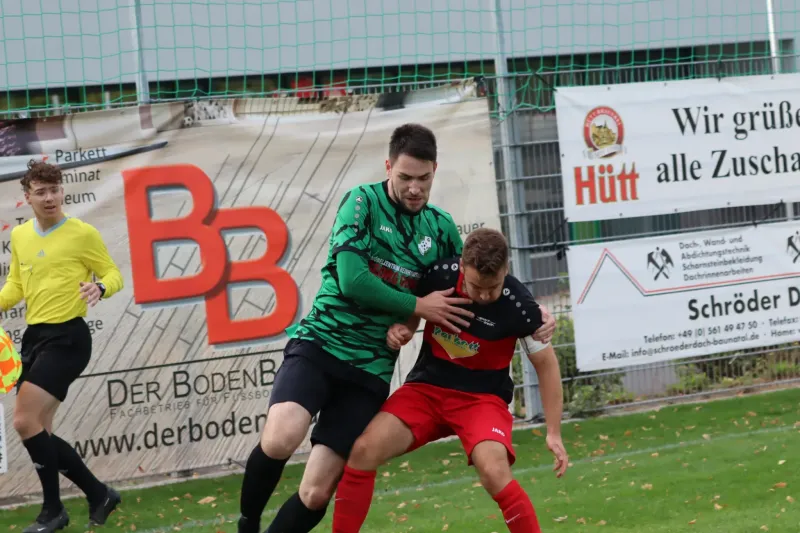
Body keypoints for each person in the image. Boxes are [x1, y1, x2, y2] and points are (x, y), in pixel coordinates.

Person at [237, 124, 557, 533]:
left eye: (423, 179)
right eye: (405, 177)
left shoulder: (440, 229)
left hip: (370, 368)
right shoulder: (361, 203)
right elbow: (353, 280)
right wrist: (416, 307)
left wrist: (535, 316)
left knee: (317, 492)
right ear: (388, 167)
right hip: (322, 344)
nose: (414, 189)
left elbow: (469, 286)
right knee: (283, 437)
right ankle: (247, 521)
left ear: (434, 172)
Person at [332, 228, 568, 533]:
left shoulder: (520, 305)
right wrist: (405, 326)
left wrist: (553, 433)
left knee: (494, 471)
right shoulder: (439, 276)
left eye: (492, 287)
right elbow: (413, 307)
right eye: (475, 287)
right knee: (363, 450)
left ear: (506, 270)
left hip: (482, 400)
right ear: (461, 267)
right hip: (427, 390)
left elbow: (547, 367)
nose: (483, 295)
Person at [0, 160, 124, 532]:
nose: (50, 197)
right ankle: (98, 494)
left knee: (23, 420)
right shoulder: (21, 236)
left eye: (55, 189)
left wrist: (100, 288)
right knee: (41, 431)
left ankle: (54, 511)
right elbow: (17, 288)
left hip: (69, 338)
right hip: (36, 339)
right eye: (41, 191)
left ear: (62, 191)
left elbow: (113, 274)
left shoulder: (82, 233)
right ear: (28, 198)